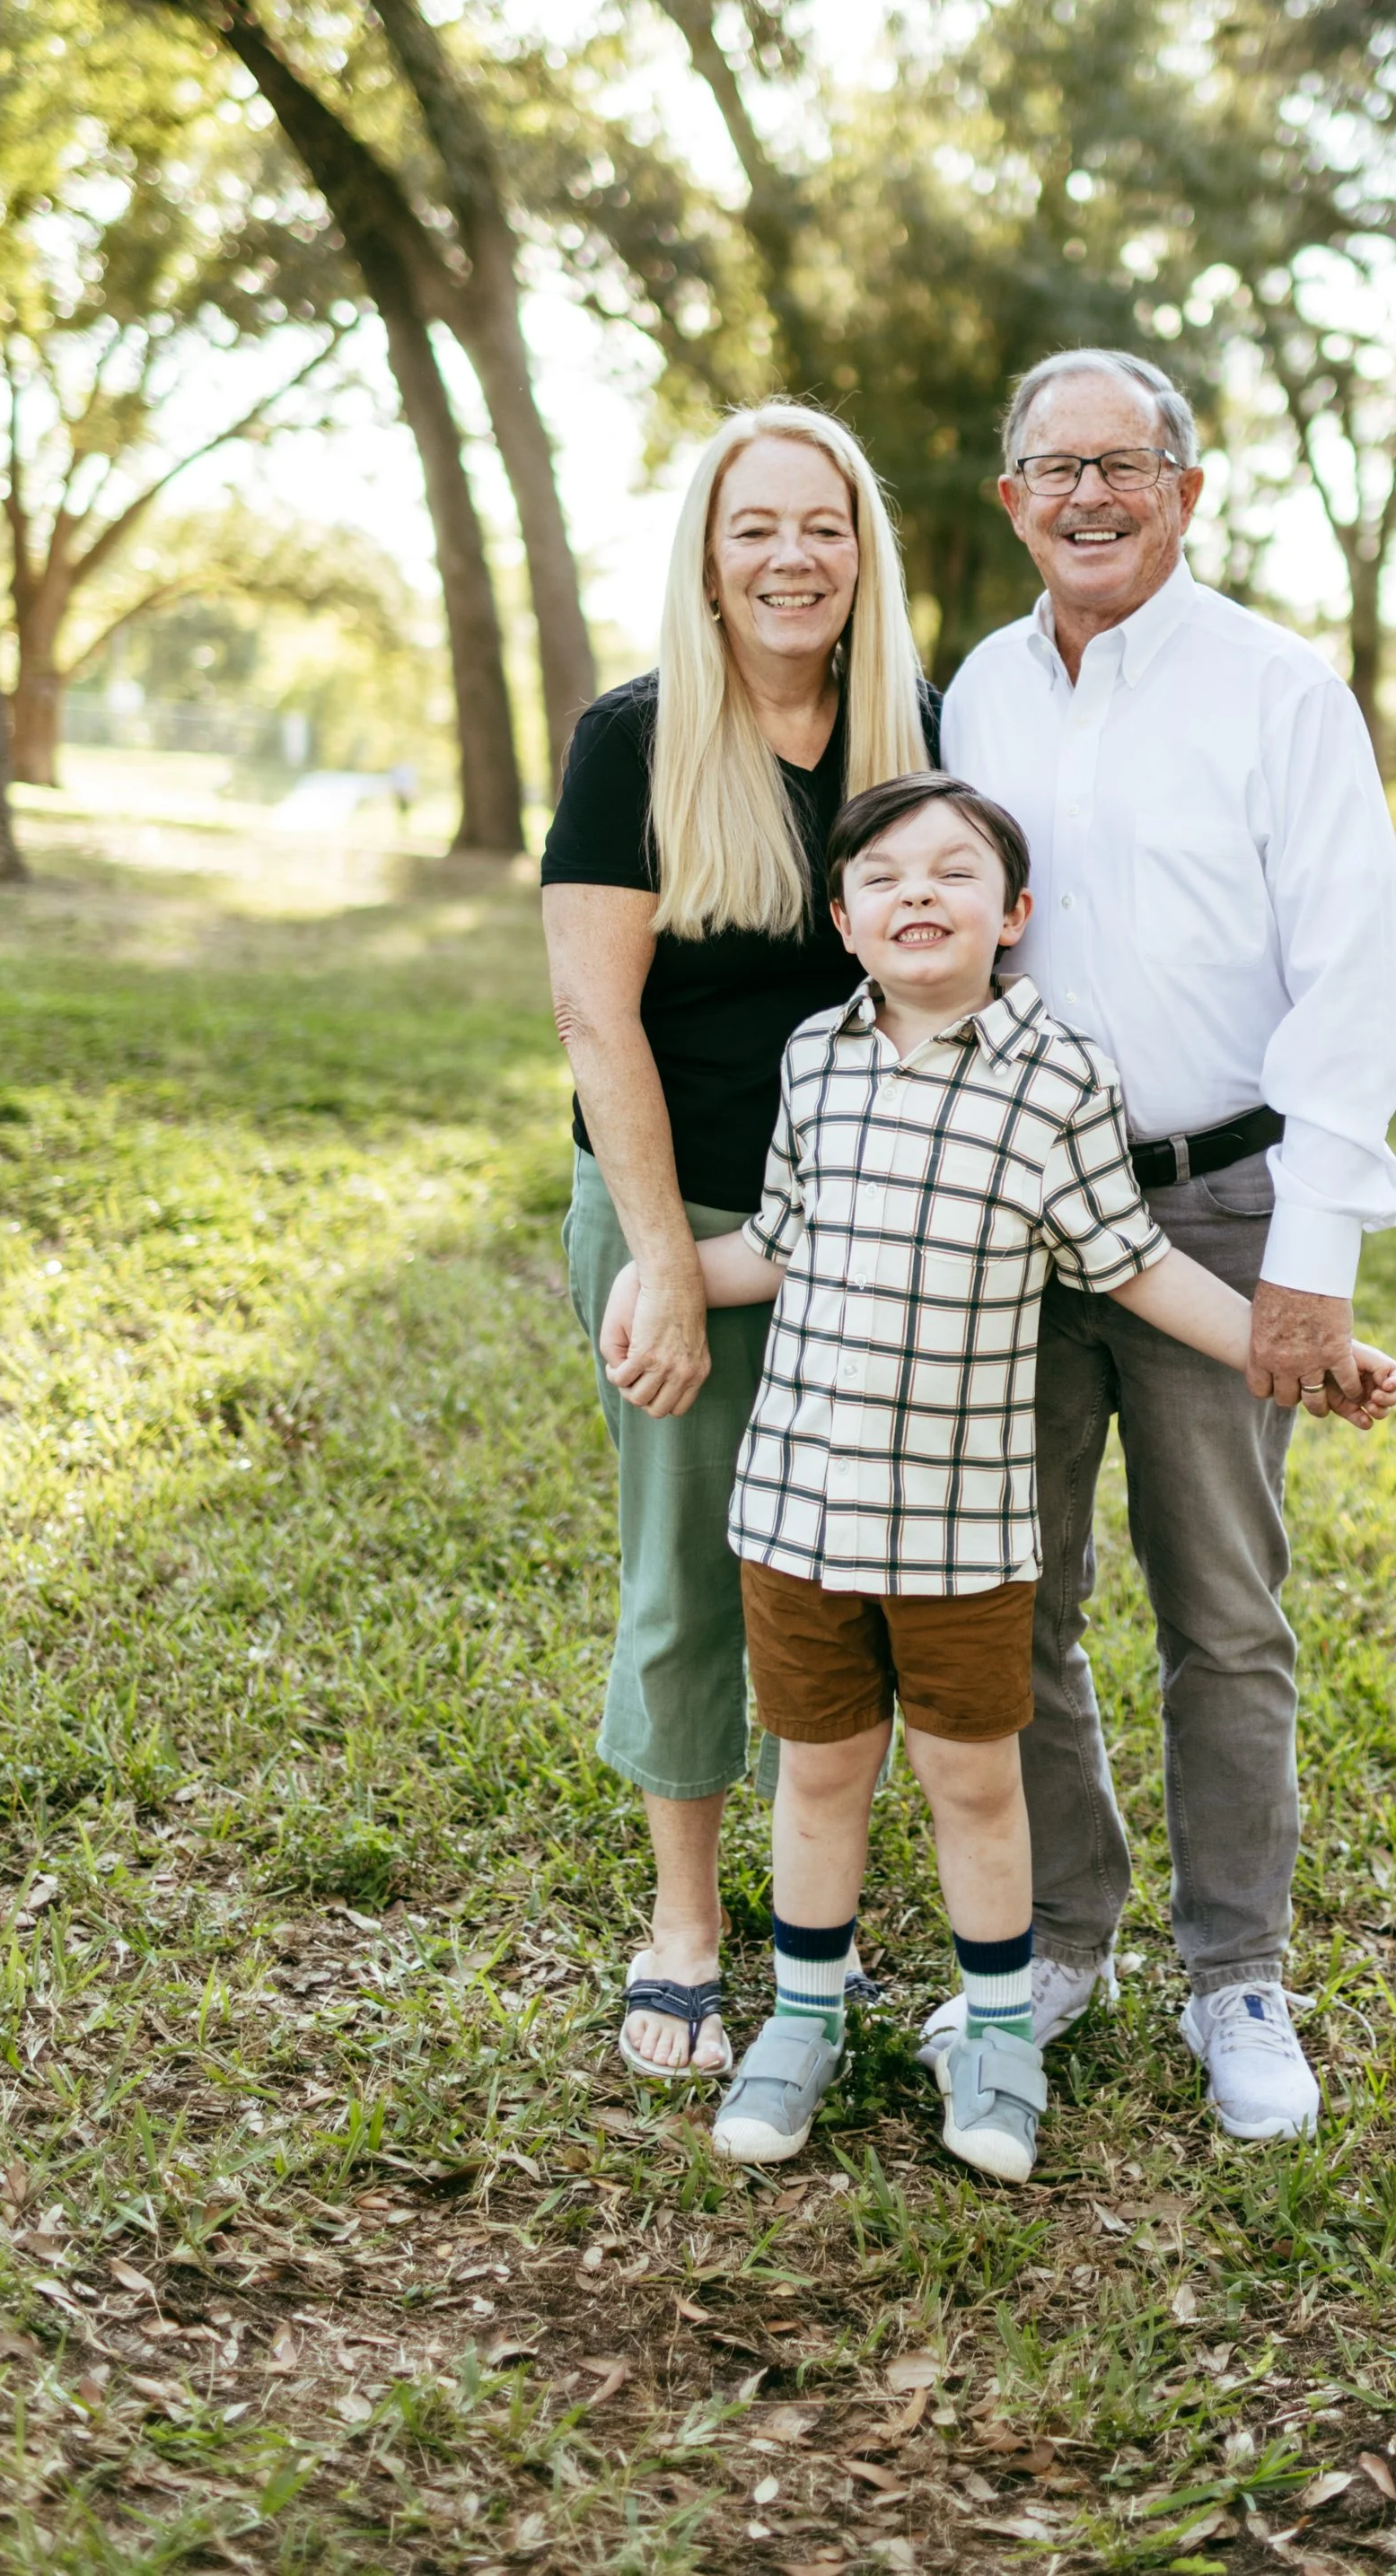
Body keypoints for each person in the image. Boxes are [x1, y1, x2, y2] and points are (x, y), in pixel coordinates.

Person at [671, 775, 1396, 2183]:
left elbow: (1133, 1264)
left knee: (974, 1784)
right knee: (817, 1780)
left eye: (955, 874)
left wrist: (1305, 1347)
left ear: (1014, 916)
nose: (917, 896)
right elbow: (774, 1242)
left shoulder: (1058, 1075)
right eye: (882, 876)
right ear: (841, 916)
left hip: (960, 1527)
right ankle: (799, 2020)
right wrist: (657, 1277)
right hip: (801, 1514)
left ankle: (1002, 2034)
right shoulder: (812, 1060)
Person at [939, 347, 1396, 2141]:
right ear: (1010, 499)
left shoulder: (1277, 694)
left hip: (1219, 1203)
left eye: (1122, 465)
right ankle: (1056, 1941)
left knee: (1222, 1608)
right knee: (1023, 1590)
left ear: (1185, 489)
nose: (1086, 495)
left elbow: (1357, 978)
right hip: (1013, 1205)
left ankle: (1237, 1977)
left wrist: (1311, 1254)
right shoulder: (970, 691)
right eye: (1050, 467)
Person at [540, 405, 935, 2081]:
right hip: (682, 1214)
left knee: (851, 1583)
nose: (792, 557)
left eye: (824, 526)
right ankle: (687, 1928)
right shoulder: (633, 742)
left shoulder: (912, 736)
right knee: (694, 1571)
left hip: (871, 1228)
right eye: (755, 526)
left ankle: (824, 1919)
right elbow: (591, 1014)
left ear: (865, 554)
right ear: (708, 554)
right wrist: (661, 1263)